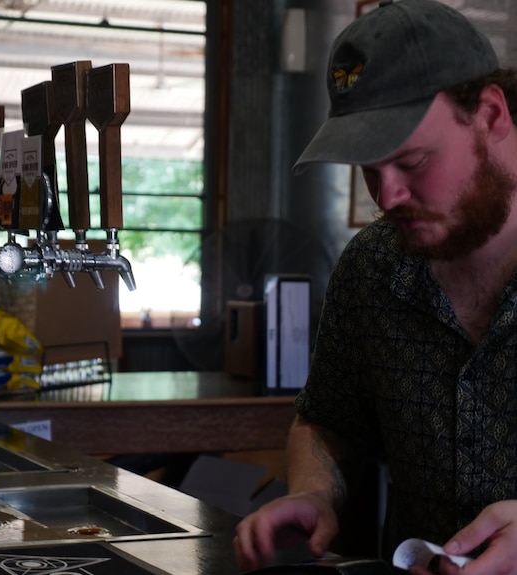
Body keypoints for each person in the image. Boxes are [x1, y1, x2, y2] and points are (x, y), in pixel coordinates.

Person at [233, 1, 517, 574]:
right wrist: (314, 492)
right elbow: (329, 419)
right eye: (368, 169)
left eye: (413, 161)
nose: (385, 198)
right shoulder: (373, 266)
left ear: (489, 114)